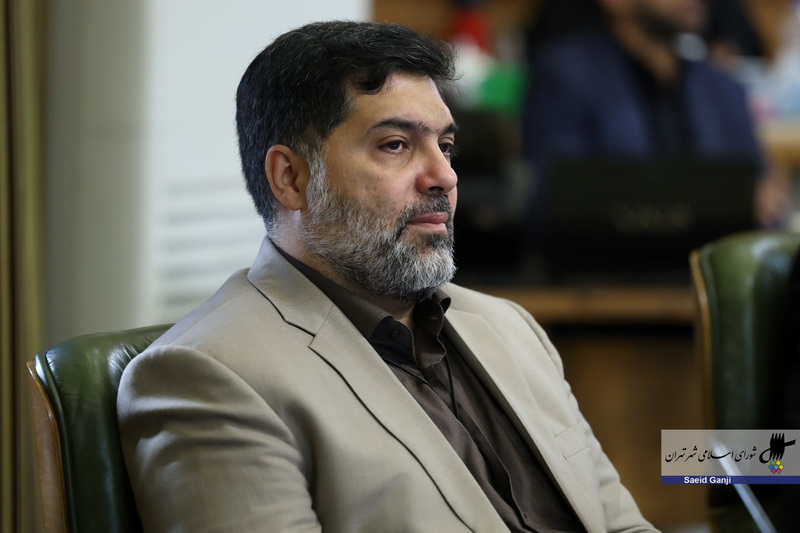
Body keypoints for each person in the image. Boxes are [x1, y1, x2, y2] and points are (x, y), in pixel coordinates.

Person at [117, 21, 656, 532]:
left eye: (445, 146)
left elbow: (621, 523)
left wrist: (709, 465)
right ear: (291, 177)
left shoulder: (510, 327)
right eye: (395, 145)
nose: (444, 176)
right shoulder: (209, 376)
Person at [522, 0, 788, 231]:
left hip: (709, 269)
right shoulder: (567, 77)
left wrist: (763, 203)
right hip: (610, 271)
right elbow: (561, 200)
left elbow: (764, 199)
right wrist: (723, 201)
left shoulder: (722, 88)